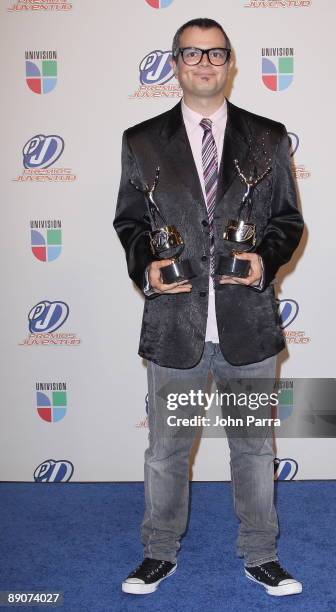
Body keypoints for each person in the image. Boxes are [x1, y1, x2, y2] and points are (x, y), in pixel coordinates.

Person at [113, 17, 304, 598]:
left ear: (231, 63)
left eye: (215, 53)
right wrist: (145, 263)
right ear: (174, 64)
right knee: (166, 452)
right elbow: (129, 221)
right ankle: (158, 552)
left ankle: (261, 553)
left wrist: (265, 261)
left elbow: (288, 221)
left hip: (247, 325)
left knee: (253, 448)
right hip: (175, 327)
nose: (204, 63)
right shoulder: (141, 140)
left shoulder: (268, 137)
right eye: (191, 54)